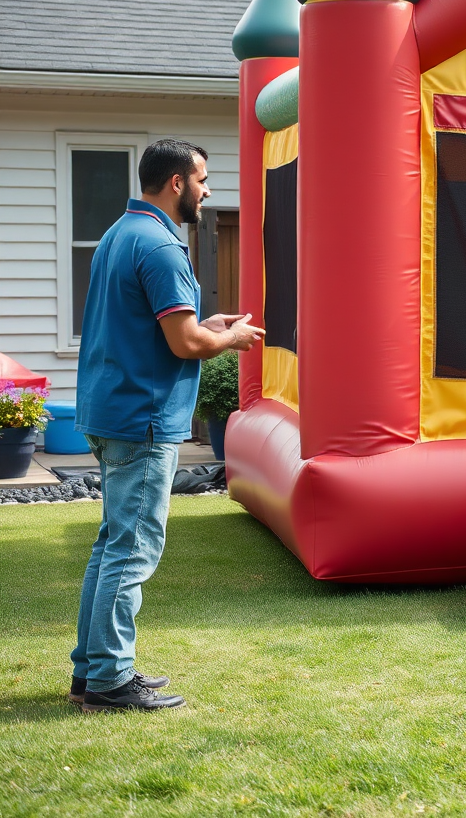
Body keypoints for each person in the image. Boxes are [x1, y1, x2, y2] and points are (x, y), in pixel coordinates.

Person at [70, 139, 264, 712]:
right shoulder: (161, 246)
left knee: (112, 546)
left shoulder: (118, 234)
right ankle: (109, 680)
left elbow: (160, 328)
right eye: (203, 179)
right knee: (132, 550)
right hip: (144, 419)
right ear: (176, 182)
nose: (208, 191)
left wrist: (205, 324)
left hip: (111, 411)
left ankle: (94, 669)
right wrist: (229, 338)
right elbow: (184, 343)